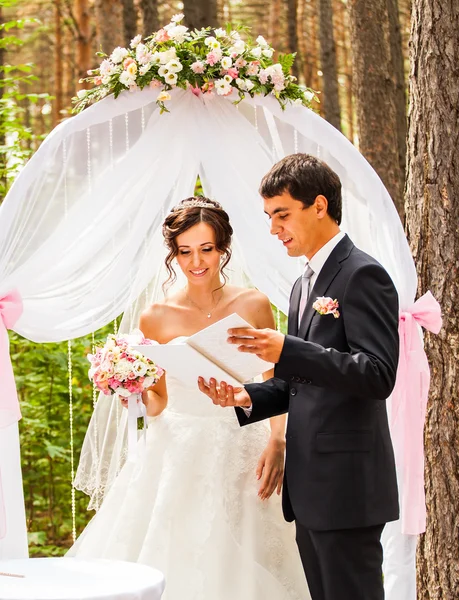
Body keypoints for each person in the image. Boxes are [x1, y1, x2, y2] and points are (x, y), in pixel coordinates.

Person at [68, 197, 311, 600]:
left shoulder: (253, 303)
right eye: (184, 252)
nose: (196, 261)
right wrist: (128, 388)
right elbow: (160, 401)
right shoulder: (155, 316)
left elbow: (276, 381)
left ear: (223, 250)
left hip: (243, 442)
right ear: (173, 255)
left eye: (206, 249)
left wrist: (278, 440)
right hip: (175, 449)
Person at [198, 154, 400, 600]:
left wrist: (289, 349)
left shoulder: (363, 274)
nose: (274, 229)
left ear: (320, 206)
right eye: (270, 217)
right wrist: (245, 396)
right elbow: (301, 382)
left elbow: (378, 374)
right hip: (309, 486)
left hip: (348, 485)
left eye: (282, 214)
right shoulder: (302, 283)